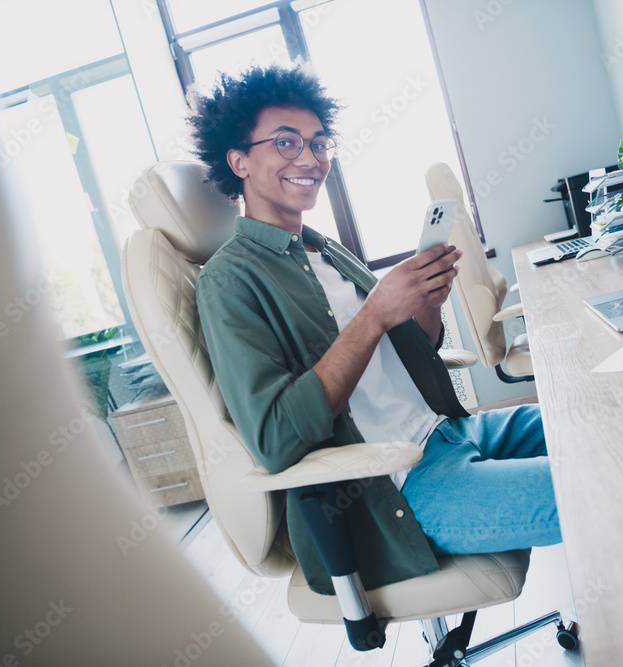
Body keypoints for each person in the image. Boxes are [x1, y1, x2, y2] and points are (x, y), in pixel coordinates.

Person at [188, 63, 560, 595]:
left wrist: (427, 306)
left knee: (599, 417)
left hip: (450, 432)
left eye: (320, 144)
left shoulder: (325, 248)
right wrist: (375, 314)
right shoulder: (229, 280)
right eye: (287, 142)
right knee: (602, 483)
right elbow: (275, 439)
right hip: (405, 483)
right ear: (239, 160)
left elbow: (405, 357)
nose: (310, 159)